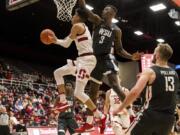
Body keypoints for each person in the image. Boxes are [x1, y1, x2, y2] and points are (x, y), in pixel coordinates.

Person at [76, 0, 141, 132]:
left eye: (107, 10)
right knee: (92, 92)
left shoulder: (116, 30)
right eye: (104, 9)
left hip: (107, 58)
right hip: (95, 60)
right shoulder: (97, 21)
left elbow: (120, 49)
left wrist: (131, 57)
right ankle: (89, 122)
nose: (104, 11)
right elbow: (83, 7)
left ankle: (133, 115)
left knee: (115, 85)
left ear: (112, 14)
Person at [48, 7, 105, 128]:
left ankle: (101, 116)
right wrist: (56, 40)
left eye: (74, 15)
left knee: (79, 93)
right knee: (58, 73)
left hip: (86, 61)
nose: (72, 17)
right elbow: (67, 42)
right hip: (82, 60)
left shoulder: (77, 26)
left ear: (78, 17)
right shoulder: (83, 26)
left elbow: (66, 44)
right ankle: (63, 102)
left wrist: (55, 40)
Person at [113, 43, 180, 135]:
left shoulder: (150, 71)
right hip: (168, 119)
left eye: (154, 52)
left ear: (157, 55)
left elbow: (135, 92)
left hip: (150, 115)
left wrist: (120, 108)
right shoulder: (174, 73)